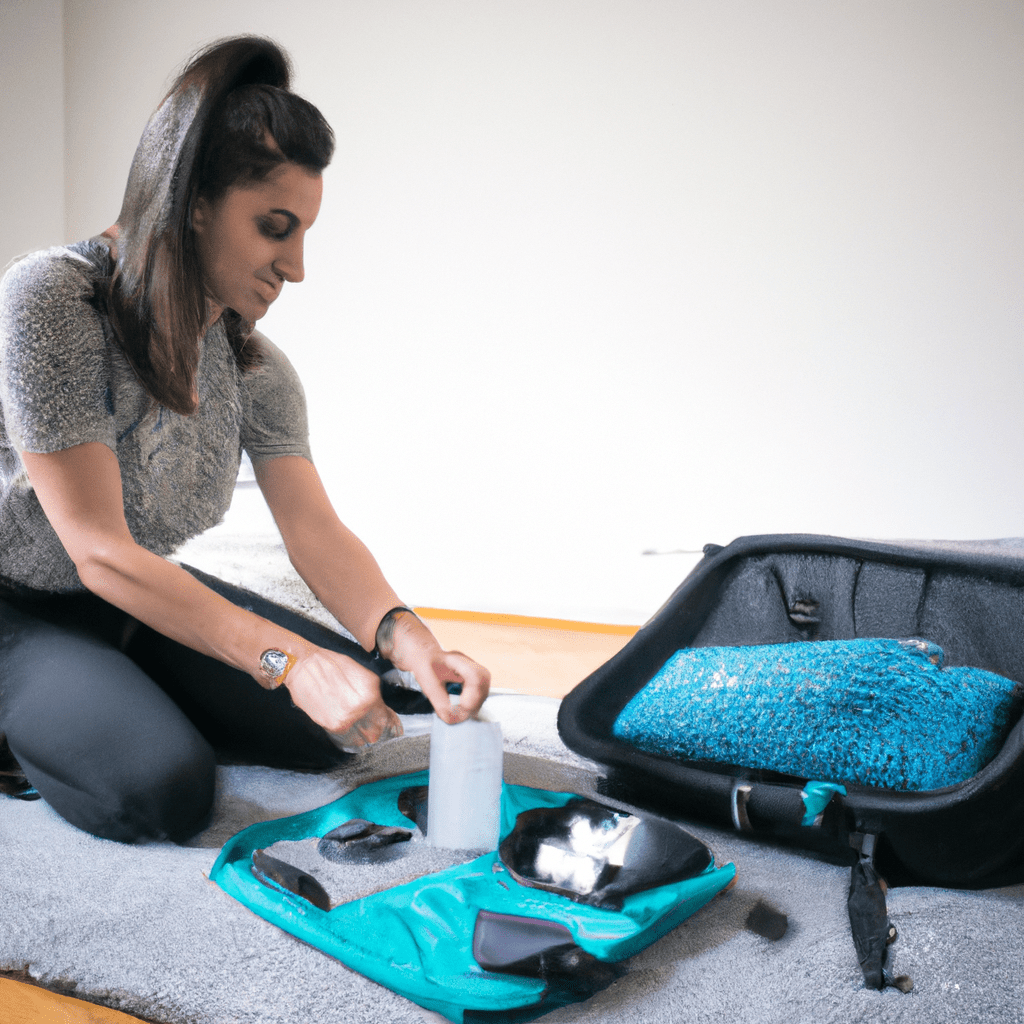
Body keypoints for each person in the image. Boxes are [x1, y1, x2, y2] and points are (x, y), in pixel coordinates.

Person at [0, 36, 490, 844]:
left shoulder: (255, 366)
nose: (296, 267)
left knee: (361, 700)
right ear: (194, 201)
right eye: (274, 228)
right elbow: (97, 551)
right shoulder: (53, 299)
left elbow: (316, 532)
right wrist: (286, 661)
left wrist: (413, 643)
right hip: (19, 606)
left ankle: (124, 684)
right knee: (159, 793)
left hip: (134, 601)